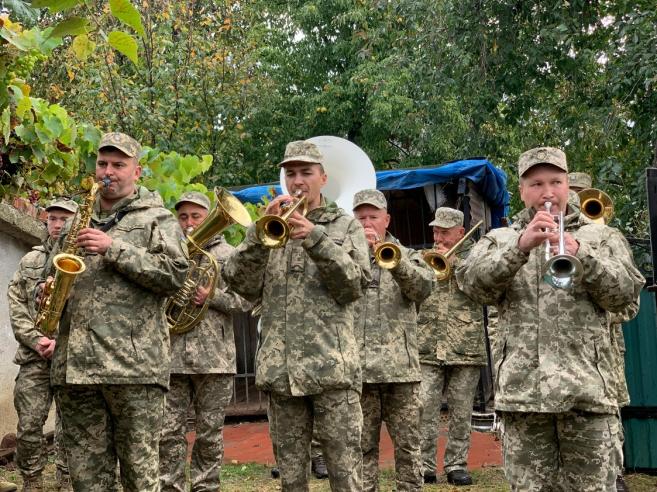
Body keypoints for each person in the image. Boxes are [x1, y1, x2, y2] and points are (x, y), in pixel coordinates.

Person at [456, 147, 645, 491]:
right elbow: (472, 286)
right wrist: (519, 247)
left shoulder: (602, 237)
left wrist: (582, 255)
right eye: (537, 184)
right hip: (523, 398)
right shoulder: (500, 239)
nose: (548, 193)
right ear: (523, 191)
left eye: (556, 182)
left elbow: (626, 296)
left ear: (567, 185)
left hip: (588, 395)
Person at [222, 140, 371, 491]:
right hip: (281, 372)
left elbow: (354, 285)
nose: (298, 181)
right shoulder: (270, 227)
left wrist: (316, 239)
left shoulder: (345, 226)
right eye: (291, 173)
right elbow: (239, 282)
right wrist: (258, 236)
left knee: (345, 474)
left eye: (306, 172)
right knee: (291, 478)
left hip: (332, 370)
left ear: (323, 178)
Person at [45, 132, 189, 491]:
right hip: (76, 370)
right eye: (102, 163)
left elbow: (175, 276)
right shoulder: (77, 220)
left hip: (133, 370)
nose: (107, 172)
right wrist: (45, 291)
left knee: (140, 476)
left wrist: (114, 248)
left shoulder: (158, 218)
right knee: (87, 479)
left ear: (136, 172)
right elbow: (52, 273)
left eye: (118, 165)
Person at [159, 191, 251, 492]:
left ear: (208, 216)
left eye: (196, 216)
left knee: (209, 433)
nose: (189, 222)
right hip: (172, 357)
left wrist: (211, 297)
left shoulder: (229, 255)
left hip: (215, 359)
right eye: (183, 216)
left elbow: (245, 301)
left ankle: (205, 486)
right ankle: (170, 486)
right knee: (168, 432)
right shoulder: (170, 252)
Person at [352, 189, 434, 491]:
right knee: (361, 448)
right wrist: (359, 255)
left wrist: (394, 260)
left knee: (409, 447)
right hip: (359, 372)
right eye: (360, 217)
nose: (367, 223)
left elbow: (423, 289)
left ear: (386, 219)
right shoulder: (346, 259)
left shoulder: (409, 256)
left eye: (373, 216)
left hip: (402, 372)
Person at [568, 172, 638, 492]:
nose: (575, 202)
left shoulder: (609, 239)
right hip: (568, 345)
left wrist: (601, 312)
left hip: (606, 344)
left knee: (608, 409)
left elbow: (630, 304)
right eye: (571, 193)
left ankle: (615, 472)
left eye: (581, 194)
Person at [7, 199, 77, 491]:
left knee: (73, 424)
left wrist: (63, 342)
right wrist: (38, 341)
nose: (57, 224)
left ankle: (67, 477)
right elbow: (17, 306)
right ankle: (32, 480)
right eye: (52, 218)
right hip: (35, 355)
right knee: (29, 425)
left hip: (74, 355)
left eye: (64, 219)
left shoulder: (87, 259)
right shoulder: (30, 260)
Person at [417, 207, 486, 486]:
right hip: (428, 344)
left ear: (460, 232)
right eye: (435, 231)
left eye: (444, 232)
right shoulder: (424, 257)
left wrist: (457, 264)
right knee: (424, 407)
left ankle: (456, 464)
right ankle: (424, 465)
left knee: (461, 410)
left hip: (465, 345)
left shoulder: (477, 257)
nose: (438, 237)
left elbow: (483, 289)